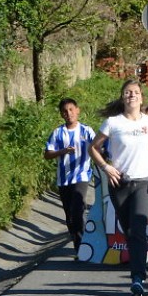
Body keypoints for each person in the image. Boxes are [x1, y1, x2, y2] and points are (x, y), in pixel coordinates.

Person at [89, 80, 148, 296]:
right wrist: (106, 167)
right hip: (120, 184)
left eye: (135, 92)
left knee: (138, 228)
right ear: (122, 98)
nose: (131, 95)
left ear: (141, 98)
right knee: (130, 231)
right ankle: (140, 253)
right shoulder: (113, 123)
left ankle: (137, 278)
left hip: (144, 182)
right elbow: (93, 148)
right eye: (127, 92)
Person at [44, 98, 95, 259]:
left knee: (77, 209)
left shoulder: (86, 131)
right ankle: (77, 243)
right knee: (70, 216)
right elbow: (47, 154)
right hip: (63, 179)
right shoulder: (58, 133)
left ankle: (82, 248)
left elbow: (97, 147)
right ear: (61, 114)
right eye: (65, 111)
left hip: (82, 175)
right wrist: (63, 151)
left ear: (77, 110)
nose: (69, 113)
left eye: (71, 109)